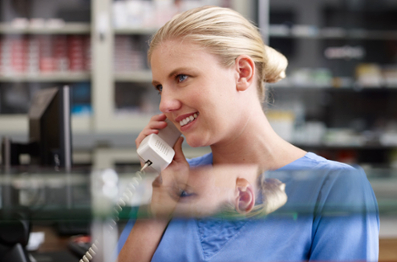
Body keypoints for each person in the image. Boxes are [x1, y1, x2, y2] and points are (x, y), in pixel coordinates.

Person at [118, 5, 379, 262]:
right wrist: (163, 196)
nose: (165, 104)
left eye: (182, 78)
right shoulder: (171, 182)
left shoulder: (335, 187)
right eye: (160, 87)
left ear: (242, 73)